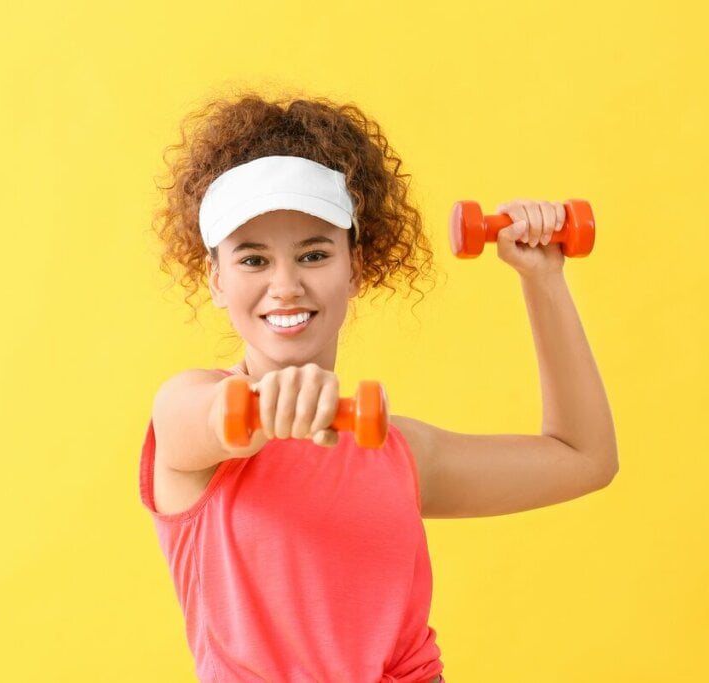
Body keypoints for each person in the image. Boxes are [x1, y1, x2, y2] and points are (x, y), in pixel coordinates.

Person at [138, 91, 618, 683]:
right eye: (253, 261)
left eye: (313, 254)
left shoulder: (399, 455)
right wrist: (264, 408)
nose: (285, 286)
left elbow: (584, 458)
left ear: (355, 268)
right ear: (215, 279)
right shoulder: (191, 421)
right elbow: (212, 421)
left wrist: (542, 279)